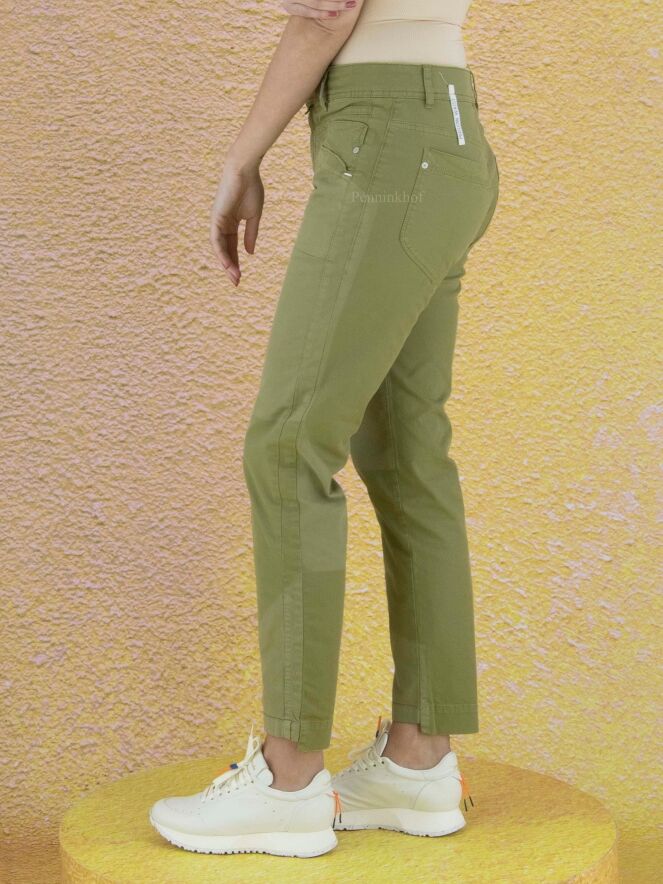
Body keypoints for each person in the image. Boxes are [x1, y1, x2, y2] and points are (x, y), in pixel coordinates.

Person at [150, 0, 498, 857]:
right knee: (407, 452)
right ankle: (418, 762)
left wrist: (242, 155)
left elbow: (326, 11)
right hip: (448, 133)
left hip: (388, 141)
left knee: (287, 446)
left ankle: (288, 778)